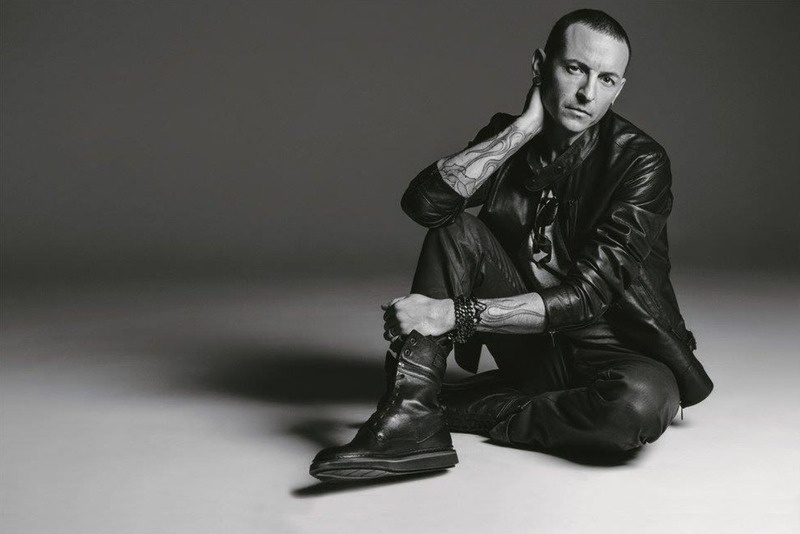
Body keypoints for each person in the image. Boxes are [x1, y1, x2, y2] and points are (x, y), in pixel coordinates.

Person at [310, 8, 713, 482]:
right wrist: (522, 129)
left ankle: (456, 406)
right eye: (575, 69)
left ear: (618, 89)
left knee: (635, 408)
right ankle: (412, 419)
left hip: (617, 348)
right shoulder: (509, 136)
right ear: (541, 66)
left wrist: (452, 315)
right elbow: (425, 206)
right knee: (454, 228)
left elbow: (588, 296)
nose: (588, 93)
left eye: (606, 79)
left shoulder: (639, 162)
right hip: (530, 346)